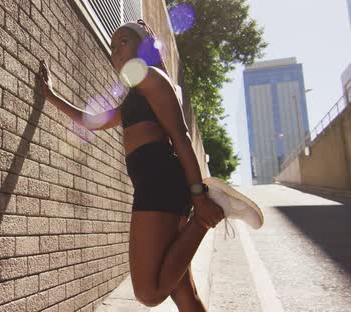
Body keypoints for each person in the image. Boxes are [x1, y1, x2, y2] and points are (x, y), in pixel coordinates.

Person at [37, 19, 263, 311]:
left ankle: (211, 212)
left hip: (160, 184)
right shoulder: (136, 93)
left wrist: (198, 196)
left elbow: (180, 137)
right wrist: (51, 95)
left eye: (124, 42)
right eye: (112, 46)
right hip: (157, 184)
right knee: (183, 293)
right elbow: (92, 121)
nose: (115, 51)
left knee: (149, 291)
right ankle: (207, 211)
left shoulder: (150, 77)